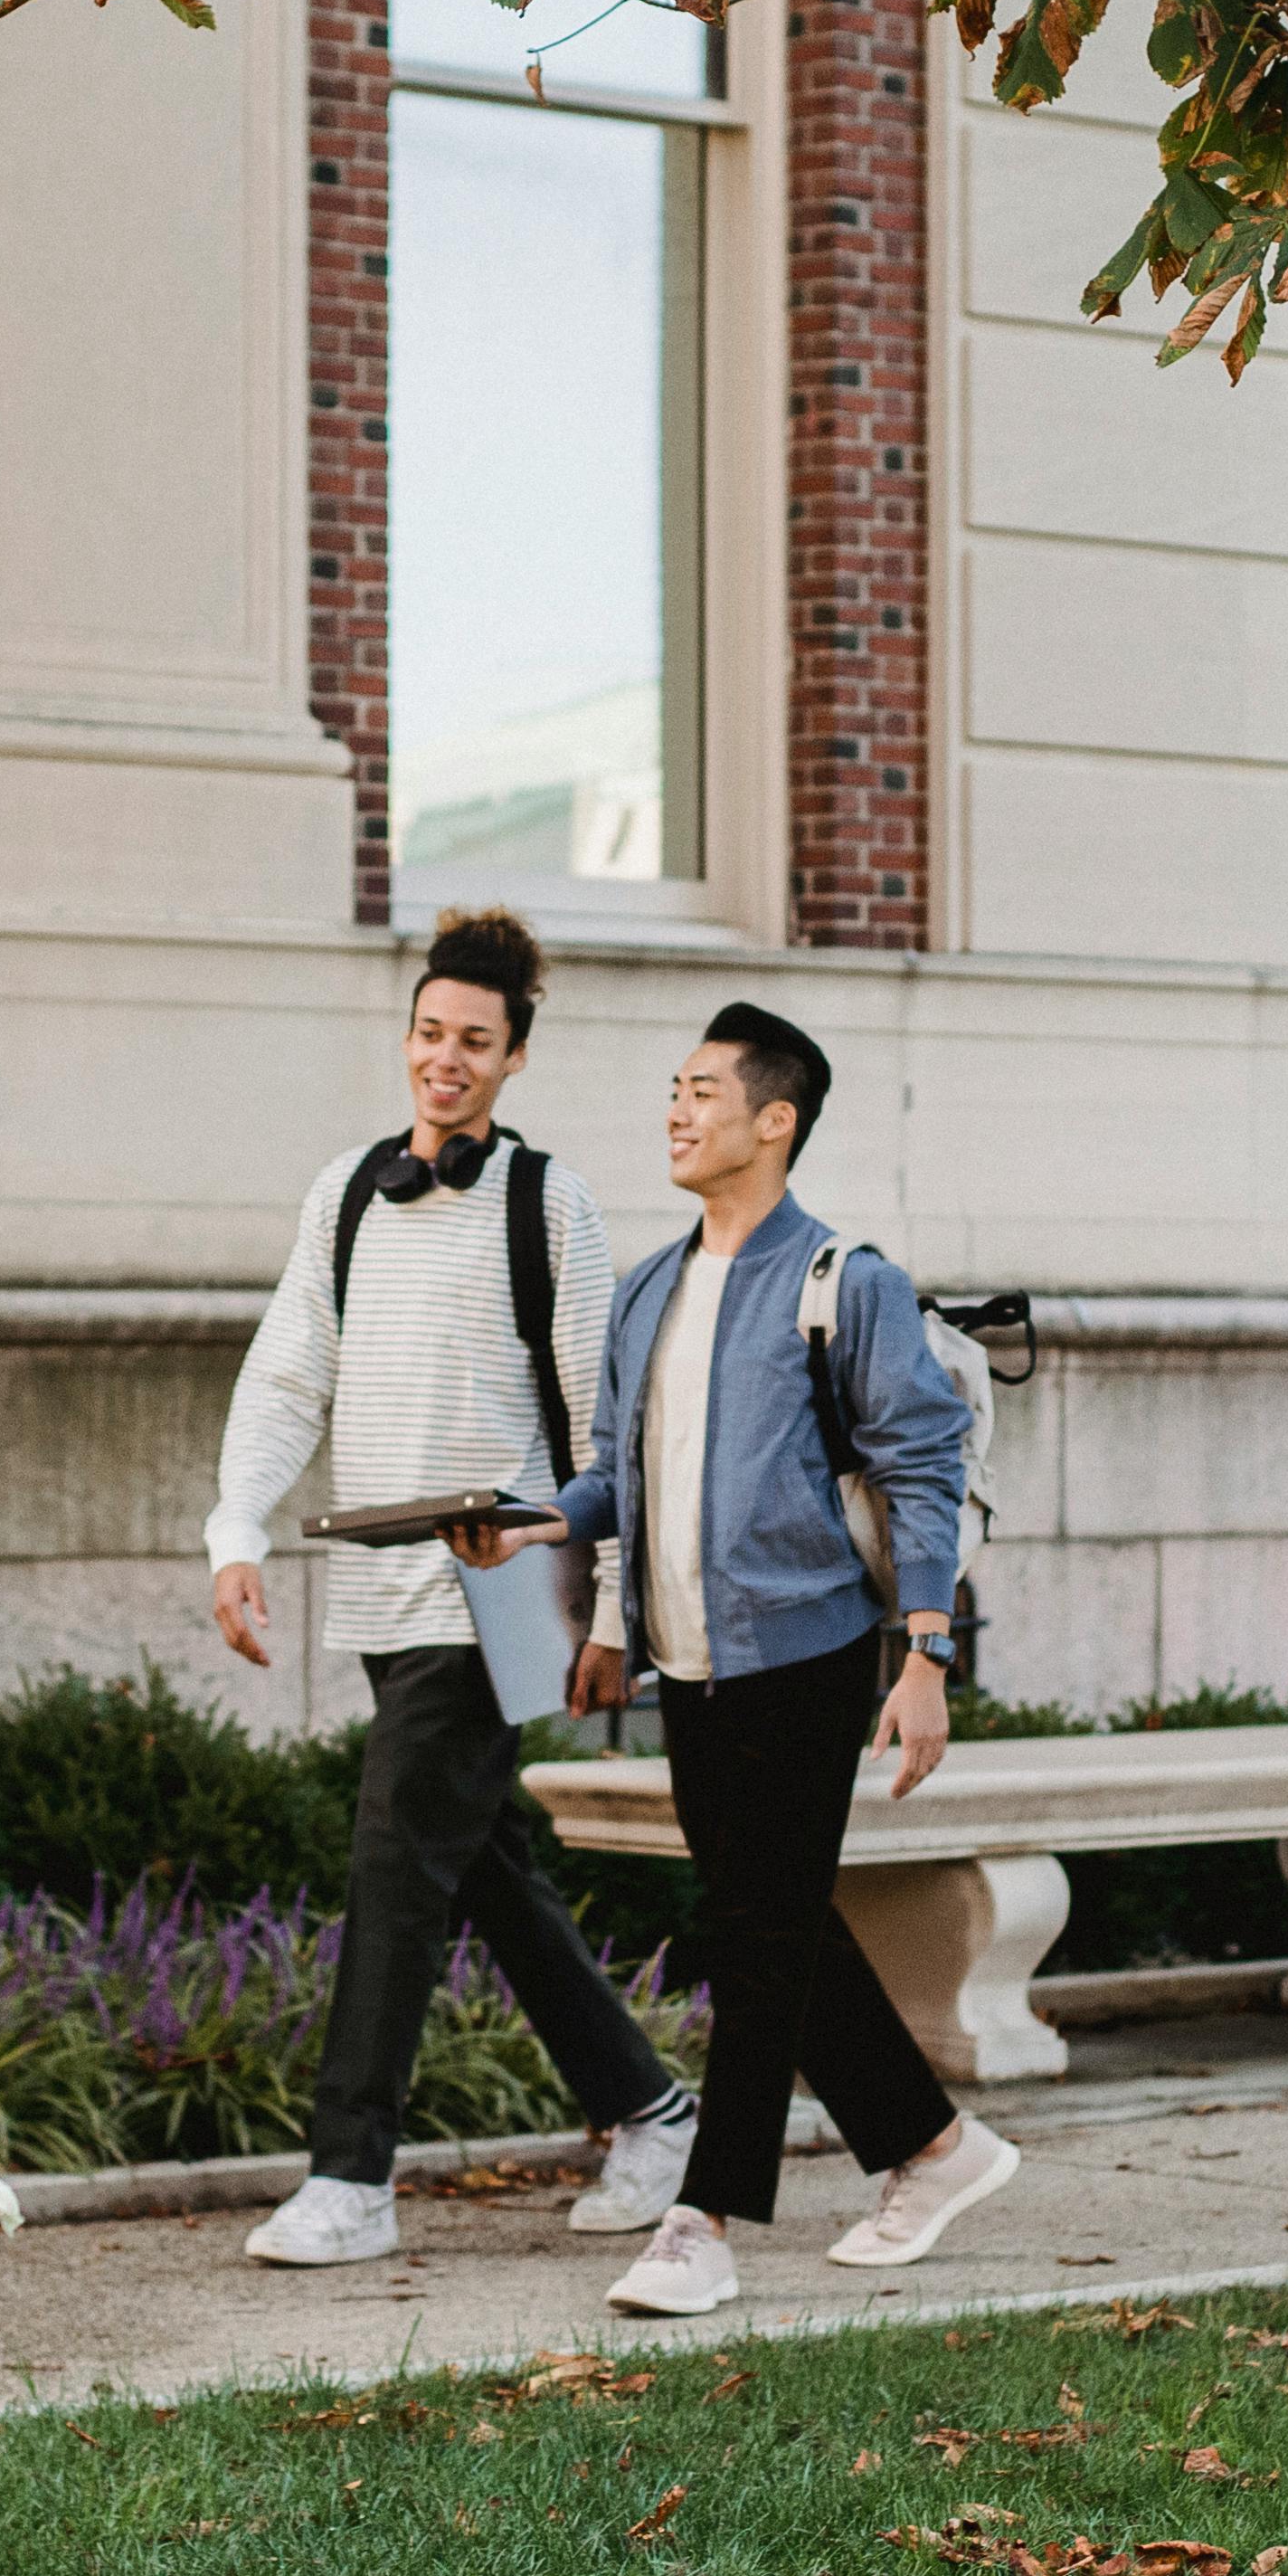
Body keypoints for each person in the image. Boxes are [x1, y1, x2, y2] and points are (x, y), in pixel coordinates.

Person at [450, 1003, 1014, 2318]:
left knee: (755, 1935)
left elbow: (922, 1468)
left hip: (810, 1651)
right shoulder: (649, 1290)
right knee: (774, 1928)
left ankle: (702, 2221)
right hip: (684, 1663)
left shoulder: (844, 1281)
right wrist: (542, 1536)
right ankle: (936, 2150)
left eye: (704, 1091)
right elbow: (614, 1479)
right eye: (672, 1088)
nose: (677, 1110)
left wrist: (923, 1655)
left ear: (778, 1119)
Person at [208, 912, 698, 2268]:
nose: (446, 1060)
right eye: (430, 1034)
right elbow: (288, 1371)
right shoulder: (349, 1194)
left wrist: (610, 1615)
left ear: (514, 1057)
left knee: (393, 1864)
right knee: (482, 1873)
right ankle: (655, 2112)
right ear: (409, 1038)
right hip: (376, 1590)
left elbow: (607, 1426)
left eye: (474, 1041)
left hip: (494, 1593)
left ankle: (351, 2178)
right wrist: (233, 1529)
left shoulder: (553, 1202)